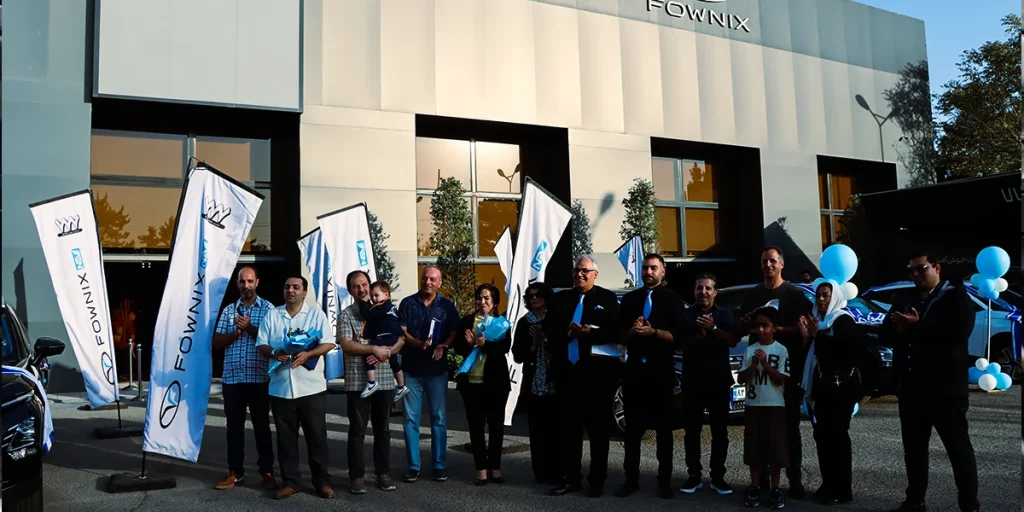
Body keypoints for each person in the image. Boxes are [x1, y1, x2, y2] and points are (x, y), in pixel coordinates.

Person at [883, 251, 979, 512]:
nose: (916, 275)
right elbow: (885, 331)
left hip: (945, 389)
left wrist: (918, 325)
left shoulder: (956, 298)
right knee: (914, 450)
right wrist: (898, 330)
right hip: (912, 388)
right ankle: (915, 500)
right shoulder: (905, 298)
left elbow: (959, 334)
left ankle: (969, 504)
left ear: (937, 268)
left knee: (958, 449)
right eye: (911, 271)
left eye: (921, 268)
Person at [737, 247, 812, 498]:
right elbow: (742, 327)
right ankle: (763, 482)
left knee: (788, 429)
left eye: (772, 261)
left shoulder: (795, 295)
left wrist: (779, 330)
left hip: (786, 373)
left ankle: (794, 479)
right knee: (761, 432)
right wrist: (746, 323)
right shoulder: (753, 295)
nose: (768, 265)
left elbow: (804, 329)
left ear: (781, 264)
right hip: (758, 379)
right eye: (764, 261)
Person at [256, 276, 337, 500]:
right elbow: (261, 344)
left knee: (316, 437)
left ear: (304, 292)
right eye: (287, 287)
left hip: (311, 388)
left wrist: (309, 354)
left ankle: (322, 481)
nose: (290, 290)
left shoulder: (316, 314)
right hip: (281, 388)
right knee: (285, 439)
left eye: (295, 287)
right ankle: (290, 481)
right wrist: (274, 352)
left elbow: (328, 342)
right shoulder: (272, 315)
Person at [546, 256, 621, 498]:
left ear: (595, 275)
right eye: (576, 270)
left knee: (598, 432)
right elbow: (549, 330)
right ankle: (570, 479)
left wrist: (589, 333)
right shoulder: (561, 299)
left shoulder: (607, 299)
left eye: (584, 271)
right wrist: (567, 334)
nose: (579, 274)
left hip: (597, 377)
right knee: (568, 431)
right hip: (567, 374)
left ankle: (597, 481)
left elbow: (617, 331)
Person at [615, 253, 683, 500]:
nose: (648, 272)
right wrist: (633, 331)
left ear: (663, 271)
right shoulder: (630, 299)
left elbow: (679, 338)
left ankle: (664, 481)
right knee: (632, 431)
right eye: (645, 268)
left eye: (653, 268)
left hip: (661, 372)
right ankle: (630, 479)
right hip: (634, 373)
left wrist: (654, 332)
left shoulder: (673, 299)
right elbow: (621, 337)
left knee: (664, 430)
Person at [212, 267, 277, 491]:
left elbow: (273, 340)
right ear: (237, 284)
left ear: (257, 282)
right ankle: (235, 471)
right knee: (234, 429)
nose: (246, 285)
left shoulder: (268, 309)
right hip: (233, 379)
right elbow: (216, 342)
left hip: (259, 378)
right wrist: (236, 333)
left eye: (250, 281)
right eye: (242, 281)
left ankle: (266, 471)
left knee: (262, 427)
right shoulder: (229, 310)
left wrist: (247, 327)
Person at [337, 271, 402, 494]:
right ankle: (356, 477)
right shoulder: (346, 315)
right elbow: (346, 344)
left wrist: (388, 352)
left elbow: (401, 337)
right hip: (357, 381)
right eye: (356, 286)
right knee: (357, 430)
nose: (362, 289)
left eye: (364, 284)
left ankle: (383, 473)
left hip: (385, 380)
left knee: (383, 430)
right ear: (350, 290)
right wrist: (373, 349)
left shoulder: (386, 308)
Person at [798, 281, 862, 506]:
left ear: (835, 297)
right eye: (818, 295)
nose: (821, 299)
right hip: (822, 390)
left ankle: (841, 489)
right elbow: (811, 356)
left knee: (838, 439)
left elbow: (846, 355)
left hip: (840, 391)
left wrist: (819, 336)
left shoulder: (843, 320)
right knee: (822, 438)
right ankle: (828, 483)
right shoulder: (817, 321)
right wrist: (807, 337)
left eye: (826, 295)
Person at [397, 266, 460, 484]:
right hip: (412, 369)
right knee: (410, 419)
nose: (428, 282)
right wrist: (417, 343)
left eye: (433, 279)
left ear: (440, 283)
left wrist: (444, 345)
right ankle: (413, 466)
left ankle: (439, 465)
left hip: (436, 370)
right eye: (425, 278)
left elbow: (454, 332)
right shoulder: (407, 303)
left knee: (439, 419)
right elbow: (401, 331)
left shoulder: (447, 306)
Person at [679, 272, 737, 496]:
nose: (703, 292)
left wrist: (713, 329)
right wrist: (702, 334)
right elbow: (681, 343)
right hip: (692, 381)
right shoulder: (686, 315)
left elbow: (732, 340)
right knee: (692, 432)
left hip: (718, 382)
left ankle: (718, 477)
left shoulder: (725, 314)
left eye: (707, 288)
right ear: (694, 291)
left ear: (715, 292)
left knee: (719, 433)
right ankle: (694, 475)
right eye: (699, 288)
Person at [453, 284, 512, 486]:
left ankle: (495, 468)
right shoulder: (467, 321)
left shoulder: (501, 323)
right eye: (479, 297)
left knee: (496, 427)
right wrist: (469, 345)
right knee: (476, 427)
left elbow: (505, 347)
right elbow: (458, 348)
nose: (482, 301)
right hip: (471, 383)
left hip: (496, 383)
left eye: (487, 298)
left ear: (495, 302)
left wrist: (485, 344)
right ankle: (481, 469)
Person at [737, 306, 791, 510]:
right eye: (757, 326)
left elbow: (781, 379)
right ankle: (755, 485)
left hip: (774, 405)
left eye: (765, 326)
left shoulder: (781, 350)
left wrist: (766, 365)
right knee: (754, 446)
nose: (760, 330)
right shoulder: (749, 350)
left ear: (774, 328)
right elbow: (741, 378)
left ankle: (775, 487)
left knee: (775, 448)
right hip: (753, 404)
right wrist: (753, 365)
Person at [510, 282, 559, 485]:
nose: (535, 299)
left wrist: (544, 342)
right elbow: (517, 355)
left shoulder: (555, 319)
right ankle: (540, 472)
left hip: (554, 382)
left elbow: (562, 347)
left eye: (538, 295)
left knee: (555, 430)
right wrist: (533, 345)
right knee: (537, 431)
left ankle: (557, 470)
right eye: (530, 296)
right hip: (533, 384)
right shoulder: (524, 323)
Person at [358, 281, 409, 401]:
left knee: (368, 354)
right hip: (394, 337)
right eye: (372, 296)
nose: (374, 299)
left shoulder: (381, 306)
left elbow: (367, 315)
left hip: (384, 337)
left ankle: (371, 382)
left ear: (386, 294)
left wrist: (363, 302)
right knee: (394, 362)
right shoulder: (391, 307)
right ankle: (401, 386)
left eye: (376, 295)